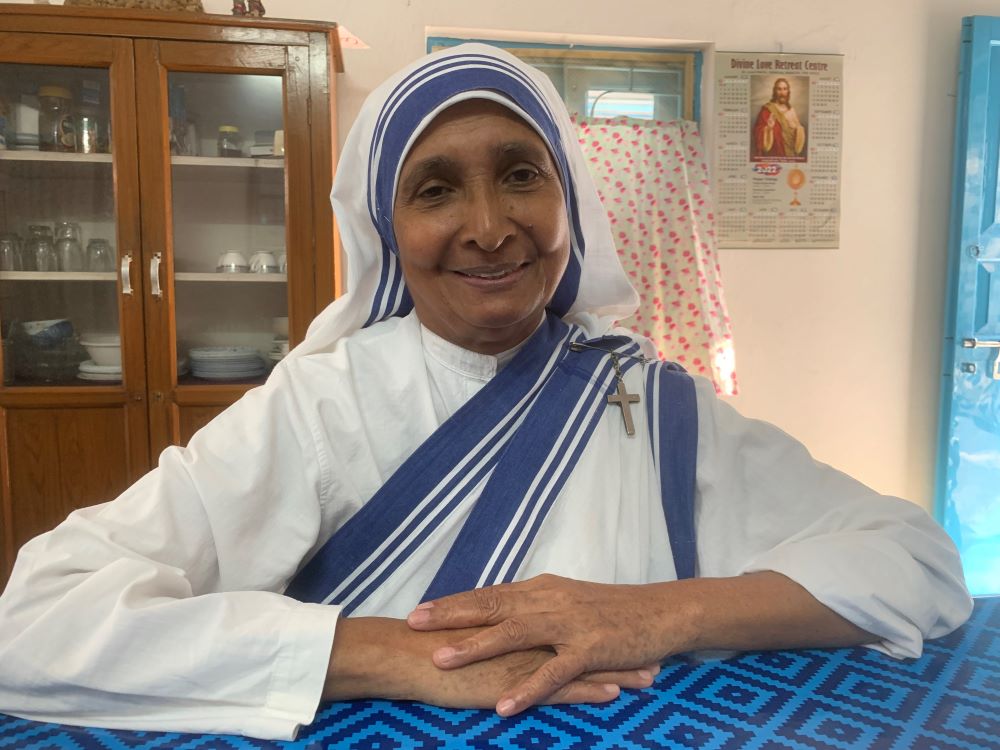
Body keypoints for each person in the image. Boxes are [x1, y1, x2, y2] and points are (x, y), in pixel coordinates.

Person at [0, 44, 971, 740]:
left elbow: (920, 562)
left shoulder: (653, 401)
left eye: (519, 176)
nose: (489, 226)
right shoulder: (322, 402)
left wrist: (652, 615)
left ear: (568, 204)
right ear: (388, 226)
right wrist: (381, 653)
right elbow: (35, 622)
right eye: (434, 189)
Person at [753, 77, 806, 159]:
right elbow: (757, 131)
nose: (782, 92)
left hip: (791, 154)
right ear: (775, 91)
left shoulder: (791, 110)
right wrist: (768, 129)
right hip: (775, 154)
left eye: (785, 89)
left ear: (788, 91)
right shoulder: (768, 110)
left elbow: (798, 134)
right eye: (779, 89)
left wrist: (797, 128)